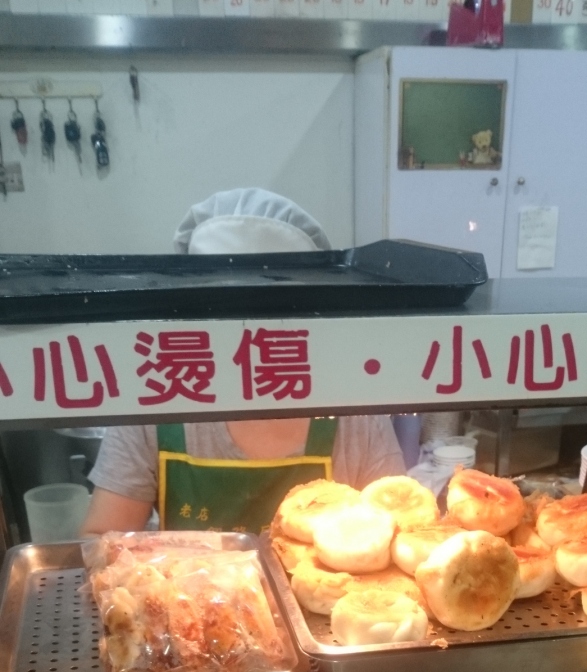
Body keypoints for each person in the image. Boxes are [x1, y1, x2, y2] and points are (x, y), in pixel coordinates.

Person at [82, 188, 405, 536]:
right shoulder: (157, 401)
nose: (246, 336)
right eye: (221, 309)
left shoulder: (355, 415)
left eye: (274, 312)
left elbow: (399, 534)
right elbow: (100, 541)